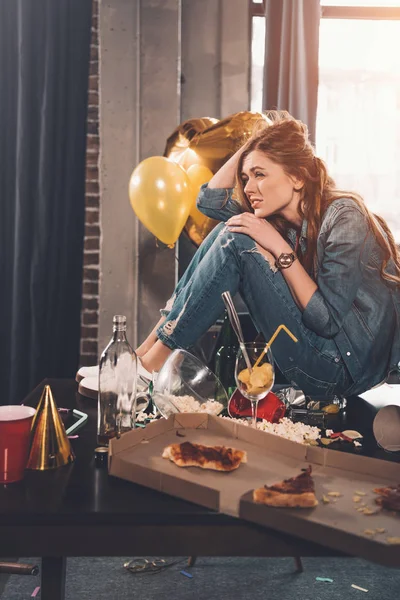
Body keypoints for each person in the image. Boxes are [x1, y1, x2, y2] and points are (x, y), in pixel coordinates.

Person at [136, 111, 400, 398]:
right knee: (232, 226)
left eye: (260, 175)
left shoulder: (344, 216)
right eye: (246, 177)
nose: (248, 188)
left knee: (236, 238)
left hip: (340, 367)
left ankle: (151, 365)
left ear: (297, 177)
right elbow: (209, 201)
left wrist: (279, 247)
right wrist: (255, 141)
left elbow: (327, 321)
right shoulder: (281, 220)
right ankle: (144, 355)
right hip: (316, 353)